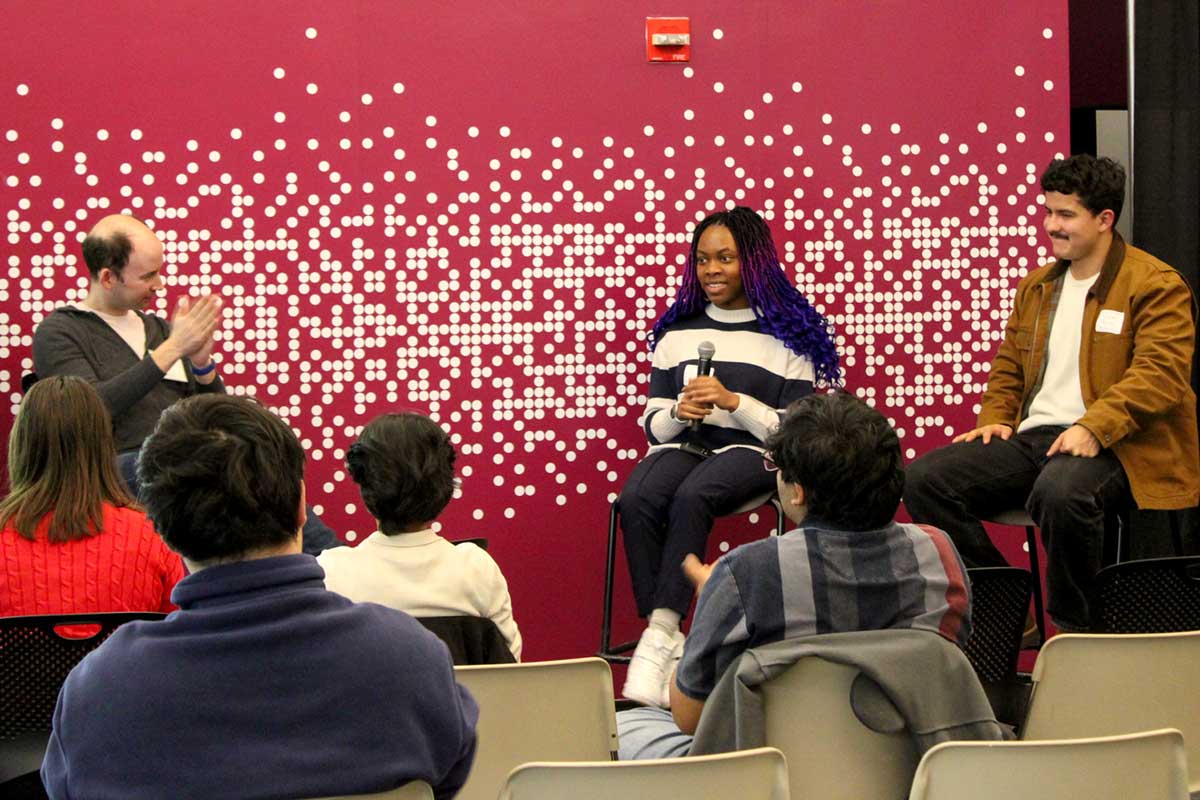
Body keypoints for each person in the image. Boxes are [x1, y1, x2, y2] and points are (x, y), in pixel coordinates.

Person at [41, 395, 478, 800]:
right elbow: (454, 775)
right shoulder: (412, 659)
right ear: (302, 505)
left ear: (160, 528)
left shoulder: (99, 691)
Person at [905, 154, 1199, 632]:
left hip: (1122, 444)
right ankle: (1006, 610)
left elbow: (1160, 374)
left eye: (1065, 215)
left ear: (1104, 219)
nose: (1050, 225)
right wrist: (996, 416)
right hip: (1037, 438)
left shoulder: (1155, 284)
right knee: (924, 479)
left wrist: (1093, 427)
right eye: (1047, 211)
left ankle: (1079, 631)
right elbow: (1008, 365)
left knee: (1061, 494)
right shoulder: (1038, 287)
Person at [616, 391, 971, 759]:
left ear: (798, 492)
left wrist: (713, 600)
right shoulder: (937, 550)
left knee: (625, 729)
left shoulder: (744, 573)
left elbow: (690, 716)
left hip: (773, 769)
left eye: (777, 468)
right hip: (909, 764)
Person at [618, 205, 841, 706]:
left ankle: (661, 635)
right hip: (686, 443)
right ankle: (668, 631)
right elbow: (654, 428)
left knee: (693, 496)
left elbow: (795, 431)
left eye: (725, 258)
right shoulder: (677, 333)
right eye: (702, 260)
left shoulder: (788, 337)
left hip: (754, 451)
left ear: (754, 263)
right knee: (637, 498)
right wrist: (681, 408)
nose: (711, 271)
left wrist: (734, 402)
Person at [31, 212, 341, 555]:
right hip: (117, 467)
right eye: (148, 276)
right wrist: (171, 350)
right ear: (107, 277)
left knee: (253, 460)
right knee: (165, 463)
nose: (159, 284)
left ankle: (332, 561)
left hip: (185, 461)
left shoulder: (160, 330)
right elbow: (88, 408)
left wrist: (202, 364)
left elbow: (211, 414)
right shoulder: (61, 332)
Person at [319, 411, 522, 660]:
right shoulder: (477, 569)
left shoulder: (332, 572)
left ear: (364, 483)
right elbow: (510, 673)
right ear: (445, 484)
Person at [0, 376, 182, 616]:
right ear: (103, 443)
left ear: (21, 445)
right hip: (126, 656)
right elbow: (177, 635)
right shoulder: (151, 537)